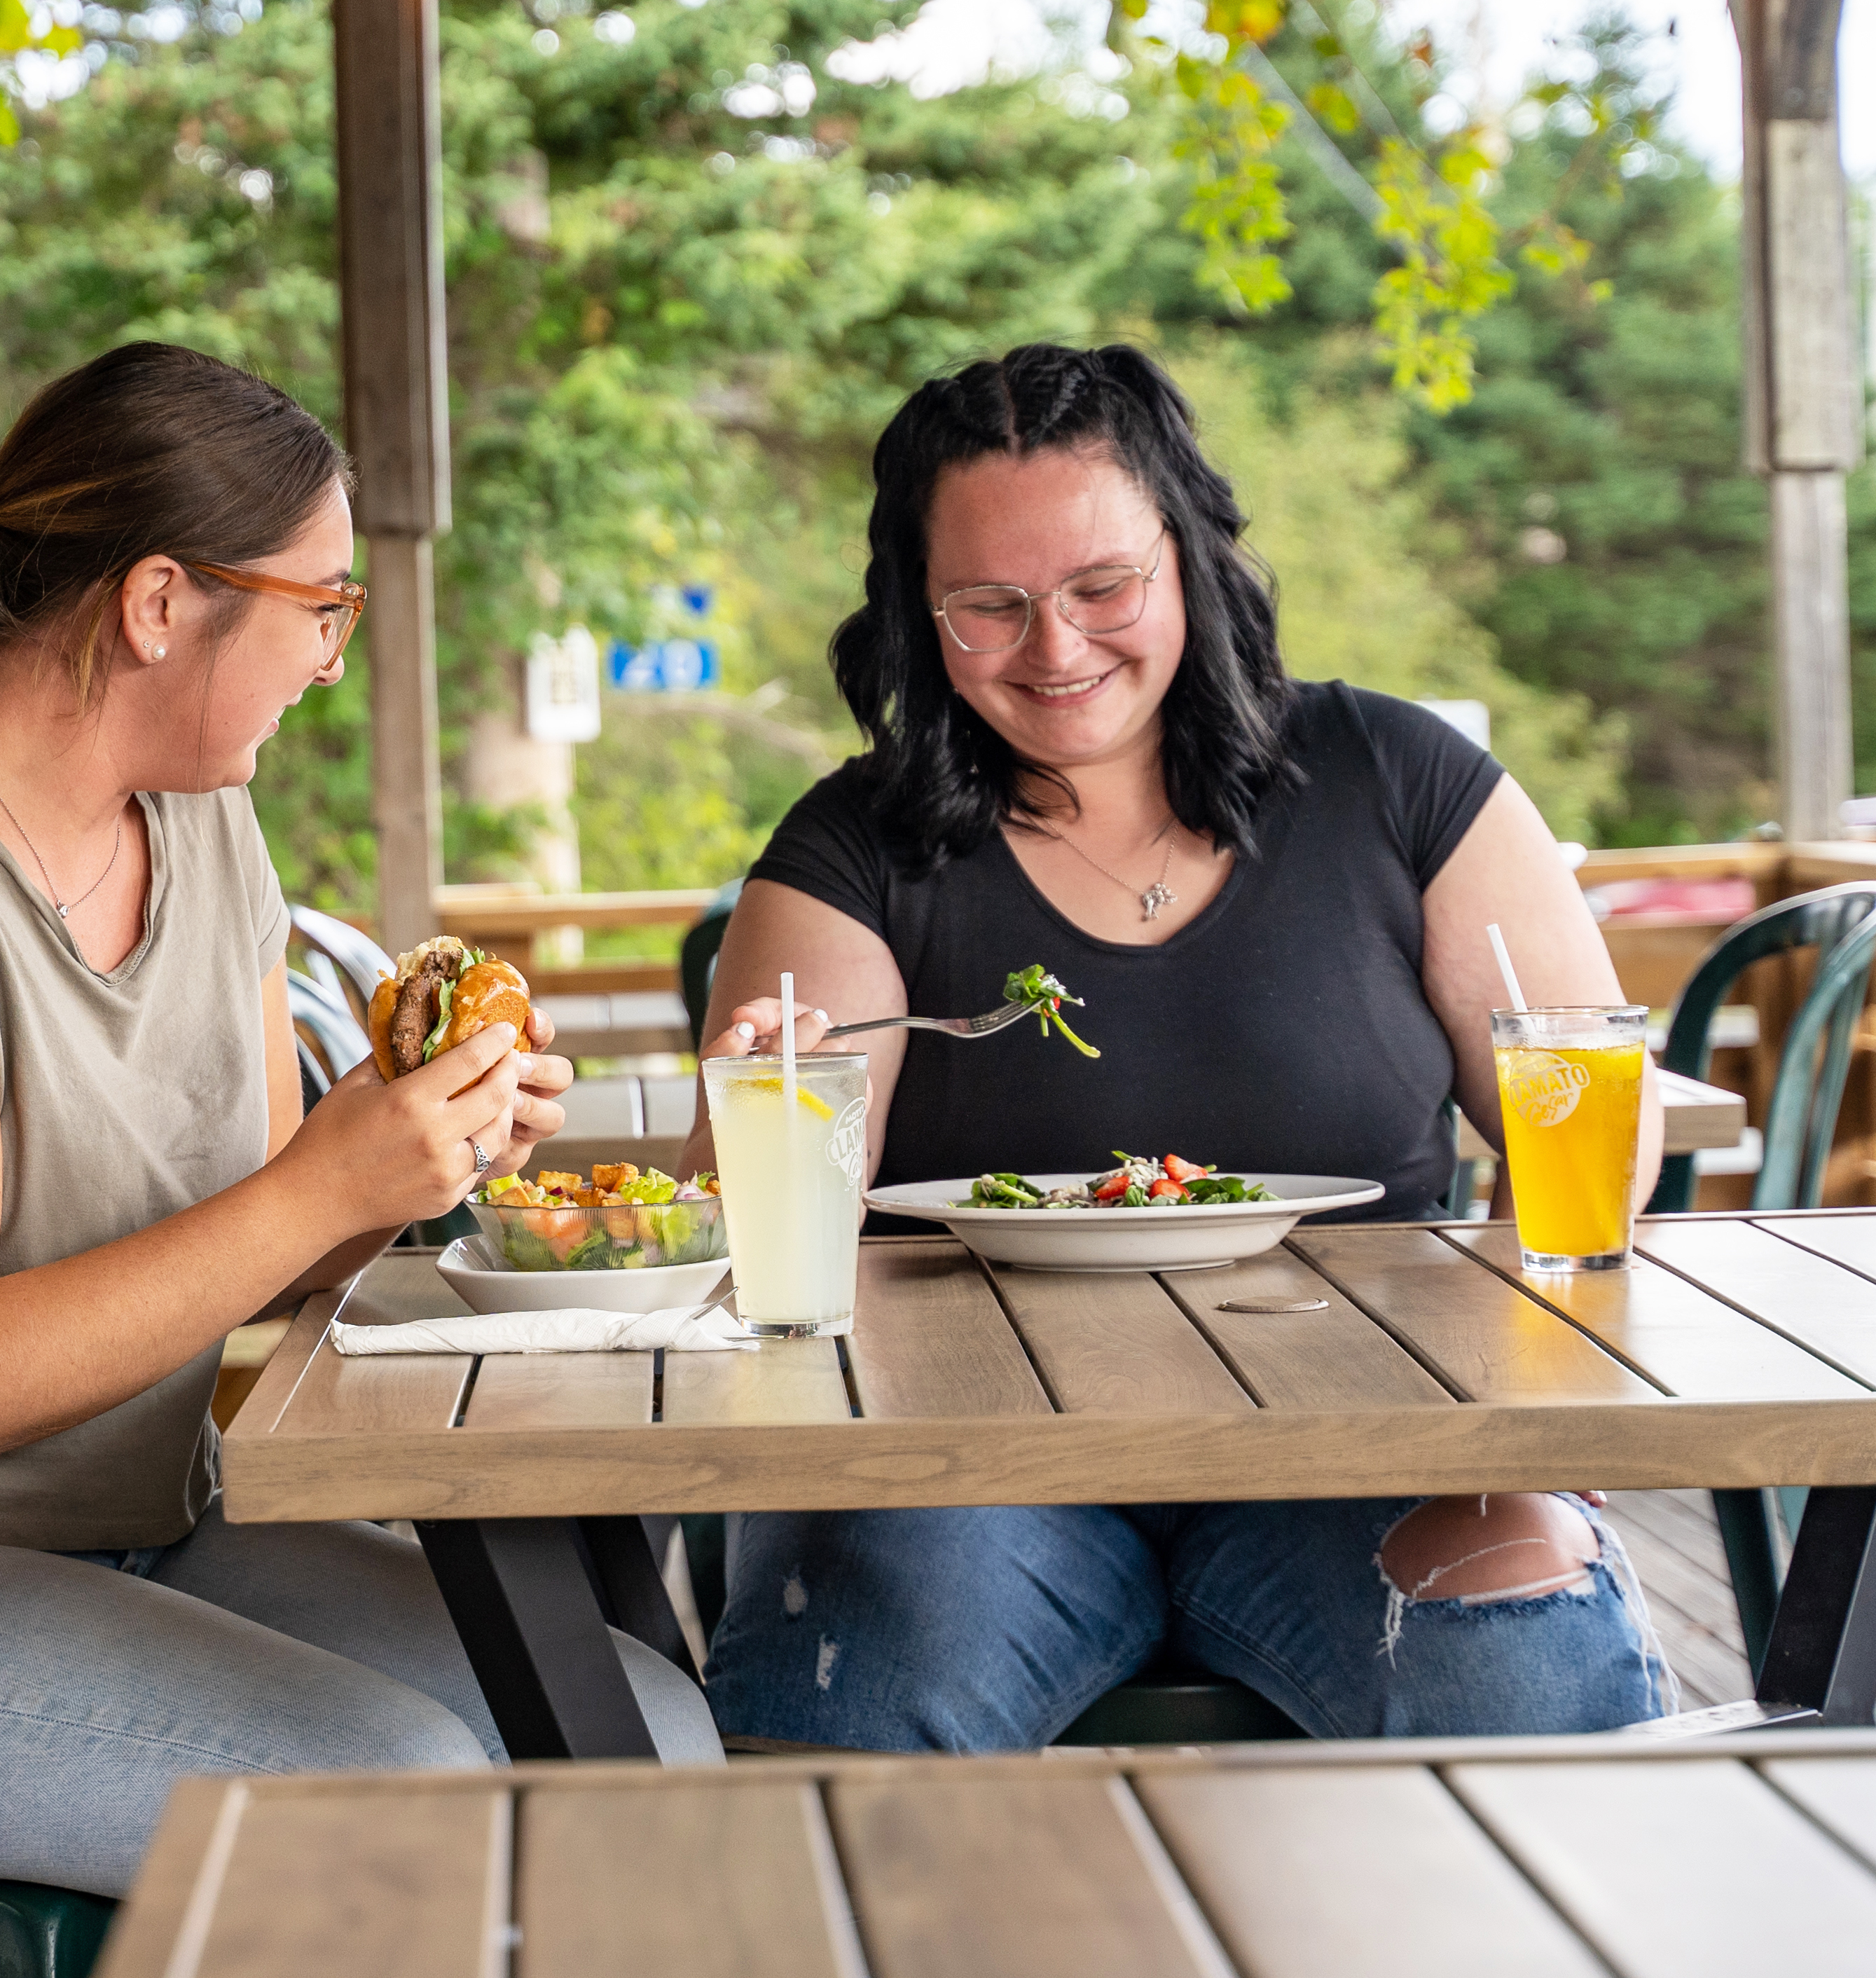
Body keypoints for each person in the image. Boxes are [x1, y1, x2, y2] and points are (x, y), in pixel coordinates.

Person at [0, 342, 719, 1900]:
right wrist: (315, 1188)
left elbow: (274, 1242)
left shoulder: (205, 828)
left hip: (139, 1526)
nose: (334, 657)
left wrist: (416, 1149)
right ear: (159, 602)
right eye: (322, 606)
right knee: (393, 1799)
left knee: (645, 1734)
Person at [694, 341, 1673, 1749]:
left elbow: (1582, 1118)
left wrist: (1510, 1414)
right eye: (989, 604)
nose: (1054, 647)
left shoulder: (1398, 778)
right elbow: (750, 1243)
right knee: (859, 1688)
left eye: (1102, 586)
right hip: (958, 1465)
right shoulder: (855, 843)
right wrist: (762, 1105)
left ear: (1188, 556)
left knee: (1526, 1668)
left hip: (1363, 1449)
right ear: (919, 609)